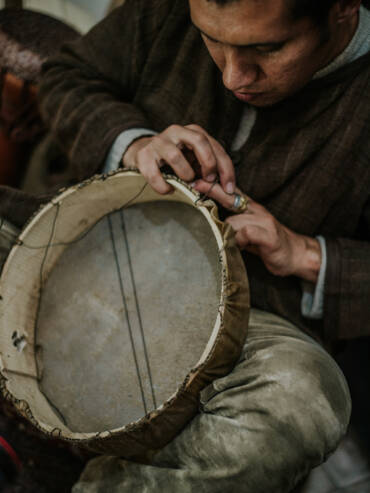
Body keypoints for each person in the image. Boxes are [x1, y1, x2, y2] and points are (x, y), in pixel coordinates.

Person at [2, 0, 370, 490]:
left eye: (267, 47)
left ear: (342, 8)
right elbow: (67, 76)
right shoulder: (166, 8)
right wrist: (134, 143)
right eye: (211, 41)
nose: (233, 79)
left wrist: (304, 253)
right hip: (85, 241)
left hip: (254, 319)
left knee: (301, 403)